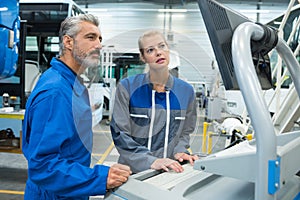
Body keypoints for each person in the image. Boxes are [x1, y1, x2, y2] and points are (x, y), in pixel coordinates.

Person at [22, 14, 132, 200]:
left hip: (68, 191)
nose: (98, 45)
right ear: (68, 42)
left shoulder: (72, 84)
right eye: (90, 37)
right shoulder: (55, 92)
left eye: (99, 39)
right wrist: (101, 177)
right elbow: (42, 165)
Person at [110, 30, 198, 174]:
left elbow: (186, 131)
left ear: (168, 50)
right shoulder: (127, 87)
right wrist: (150, 161)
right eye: (150, 50)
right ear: (143, 57)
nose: (158, 52)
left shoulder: (186, 91)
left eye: (162, 46)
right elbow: (121, 134)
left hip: (170, 170)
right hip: (133, 172)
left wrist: (179, 151)